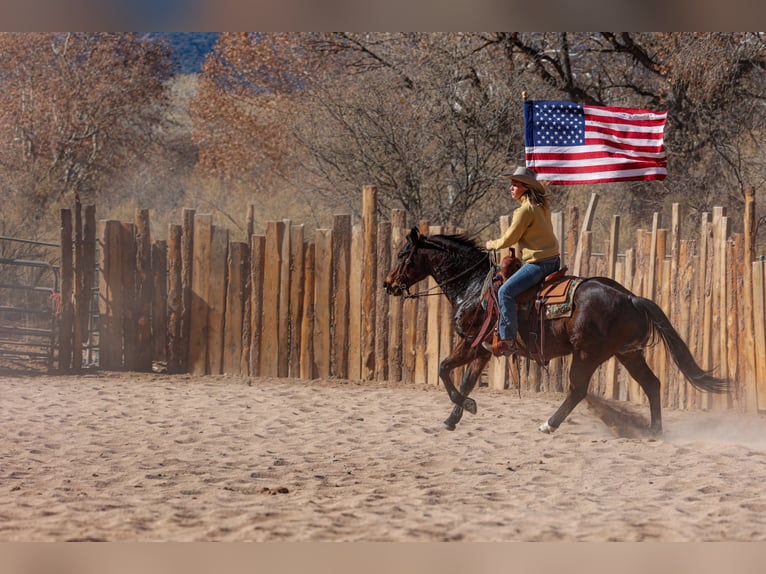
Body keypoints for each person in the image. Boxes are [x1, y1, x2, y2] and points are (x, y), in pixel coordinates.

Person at [483, 166, 560, 356]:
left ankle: (507, 339)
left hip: (539, 264)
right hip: (553, 261)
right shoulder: (541, 206)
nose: (511, 188)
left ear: (525, 187)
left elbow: (510, 239)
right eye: (511, 184)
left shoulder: (524, 211)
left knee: (505, 292)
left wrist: (492, 244)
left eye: (515, 184)